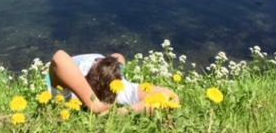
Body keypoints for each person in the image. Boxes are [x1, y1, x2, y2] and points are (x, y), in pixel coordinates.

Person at [48, 50, 179, 114]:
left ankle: (114, 59)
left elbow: (171, 96)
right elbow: (59, 57)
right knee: (117, 58)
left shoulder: (121, 87)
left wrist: (125, 111)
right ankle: (114, 59)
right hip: (82, 64)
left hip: (103, 62)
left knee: (118, 58)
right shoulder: (72, 88)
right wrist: (94, 104)